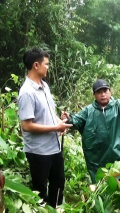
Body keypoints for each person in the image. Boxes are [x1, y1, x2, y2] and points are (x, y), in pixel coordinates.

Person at [61, 79, 120, 184]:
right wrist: (69, 118)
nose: (103, 94)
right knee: (105, 187)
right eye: (99, 92)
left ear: (110, 92)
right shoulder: (88, 111)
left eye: (105, 91)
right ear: (94, 95)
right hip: (100, 159)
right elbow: (77, 120)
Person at [18, 47, 72, 208]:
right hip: (38, 152)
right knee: (40, 190)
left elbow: (49, 113)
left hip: (54, 147)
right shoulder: (27, 92)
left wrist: (59, 123)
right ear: (36, 65)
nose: (48, 67)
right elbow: (27, 126)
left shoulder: (44, 86)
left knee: (58, 183)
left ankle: (55, 209)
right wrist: (55, 128)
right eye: (46, 64)